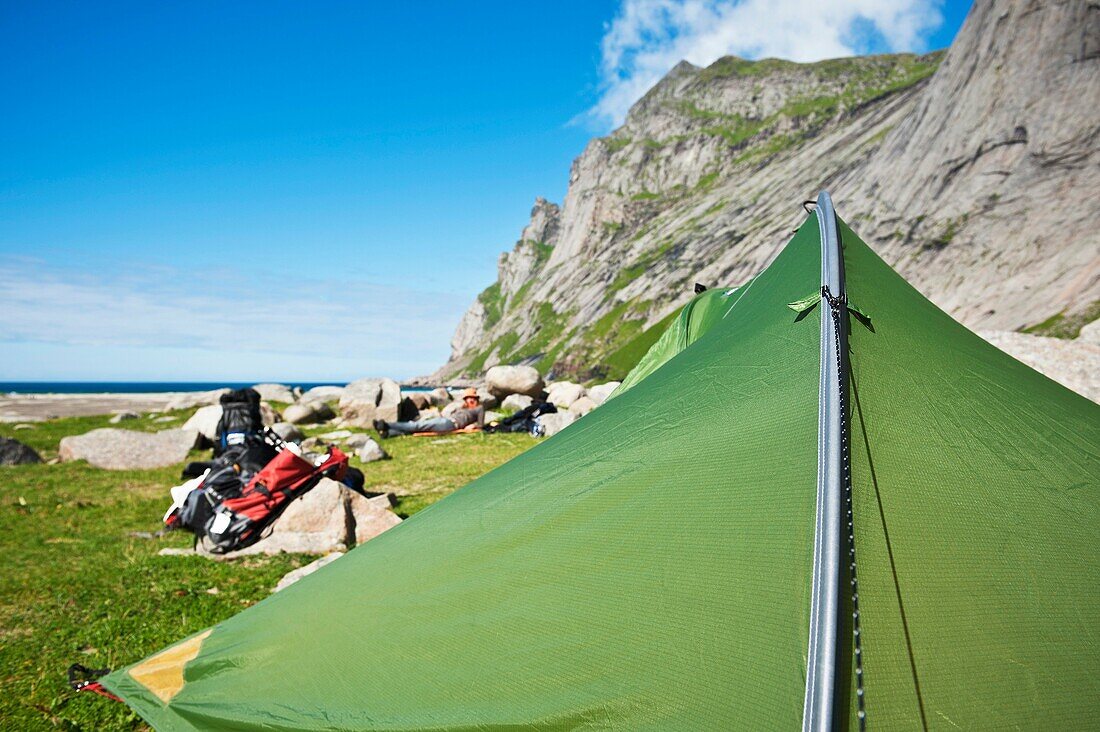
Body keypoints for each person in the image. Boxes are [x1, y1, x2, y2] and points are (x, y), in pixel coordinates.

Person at [374, 387, 485, 438]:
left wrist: (473, 425)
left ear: (476, 399)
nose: (471, 400)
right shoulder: (463, 407)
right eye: (468, 398)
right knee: (417, 429)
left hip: (451, 424)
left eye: (473, 398)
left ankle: (386, 425)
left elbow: (480, 425)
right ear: (465, 399)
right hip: (445, 420)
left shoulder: (479, 408)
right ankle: (388, 433)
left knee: (417, 425)